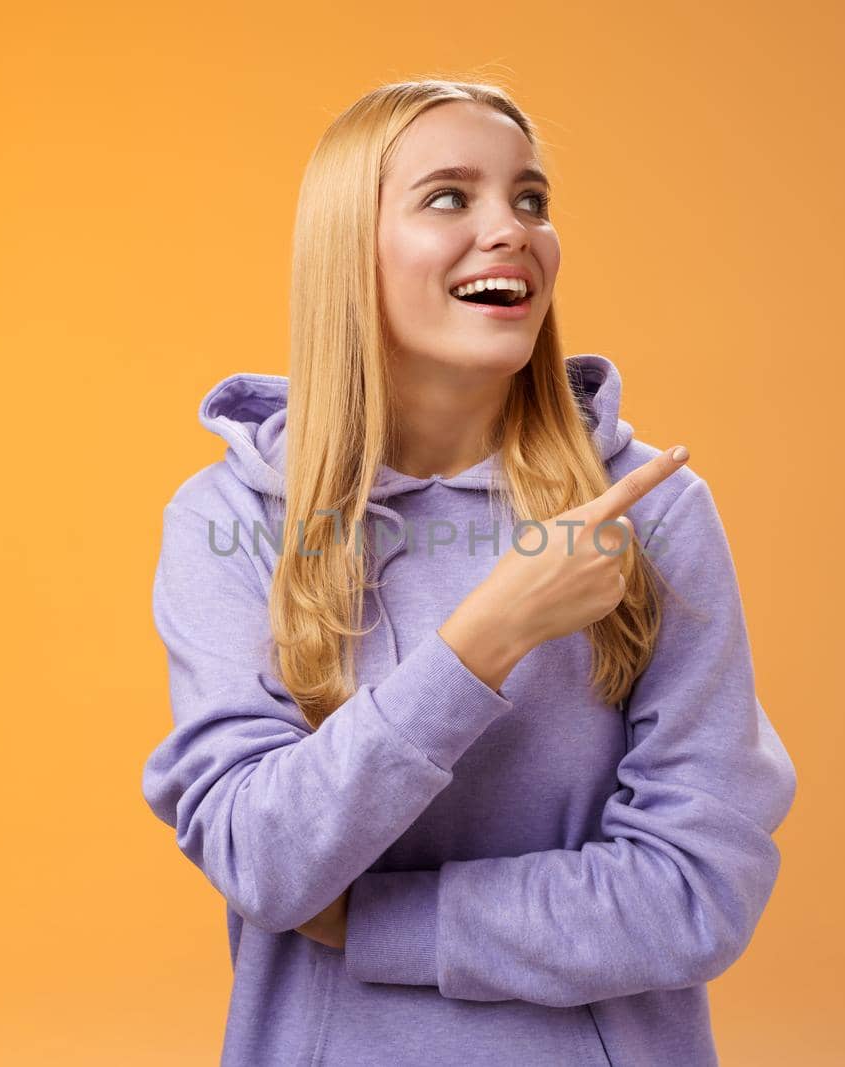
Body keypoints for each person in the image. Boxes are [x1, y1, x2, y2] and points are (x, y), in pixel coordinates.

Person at [142, 78, 797, 1066]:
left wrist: (375, 922)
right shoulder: (230, 520)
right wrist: (485, 635)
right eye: (449, 197)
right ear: (347, 250)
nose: (511, 229)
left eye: (529, 199)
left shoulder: (647, 509)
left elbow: (697, 891)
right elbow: (263, 860)